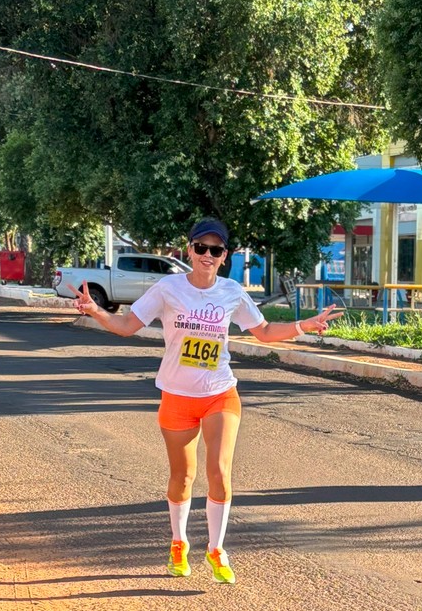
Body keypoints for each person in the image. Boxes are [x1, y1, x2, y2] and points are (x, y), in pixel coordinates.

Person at [75, 217, 341, 585]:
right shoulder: (168, 289)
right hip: (177, 397)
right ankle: (179, 543)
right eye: (201, 248)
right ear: (190, 250)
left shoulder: (232, 292)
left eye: (215, 250)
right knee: (183, 478)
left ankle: (217, 549)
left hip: (220, 393)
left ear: (224, 256)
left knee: (219, 471)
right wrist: (96, 311)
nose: (207, 255)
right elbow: (126, 326)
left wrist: (303, 325)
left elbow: (262, 332)